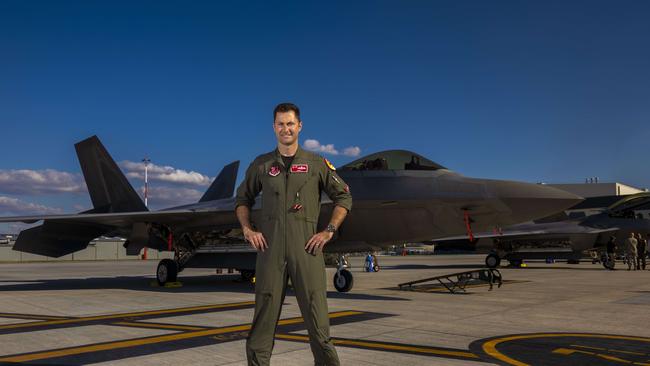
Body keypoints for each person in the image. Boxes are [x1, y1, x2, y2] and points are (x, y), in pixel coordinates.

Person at [235, 102, 352, 366]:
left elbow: (344, 197)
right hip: (270, 253)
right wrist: (247, 229)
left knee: (319, 328)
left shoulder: (316, 164)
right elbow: (242, 199)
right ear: (273, 127)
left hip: (307, 252)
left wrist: (328, 231)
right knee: (261, 328)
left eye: (290, 124)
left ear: (299, 126)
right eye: (280, 124)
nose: (285, 129)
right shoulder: (262, 165)